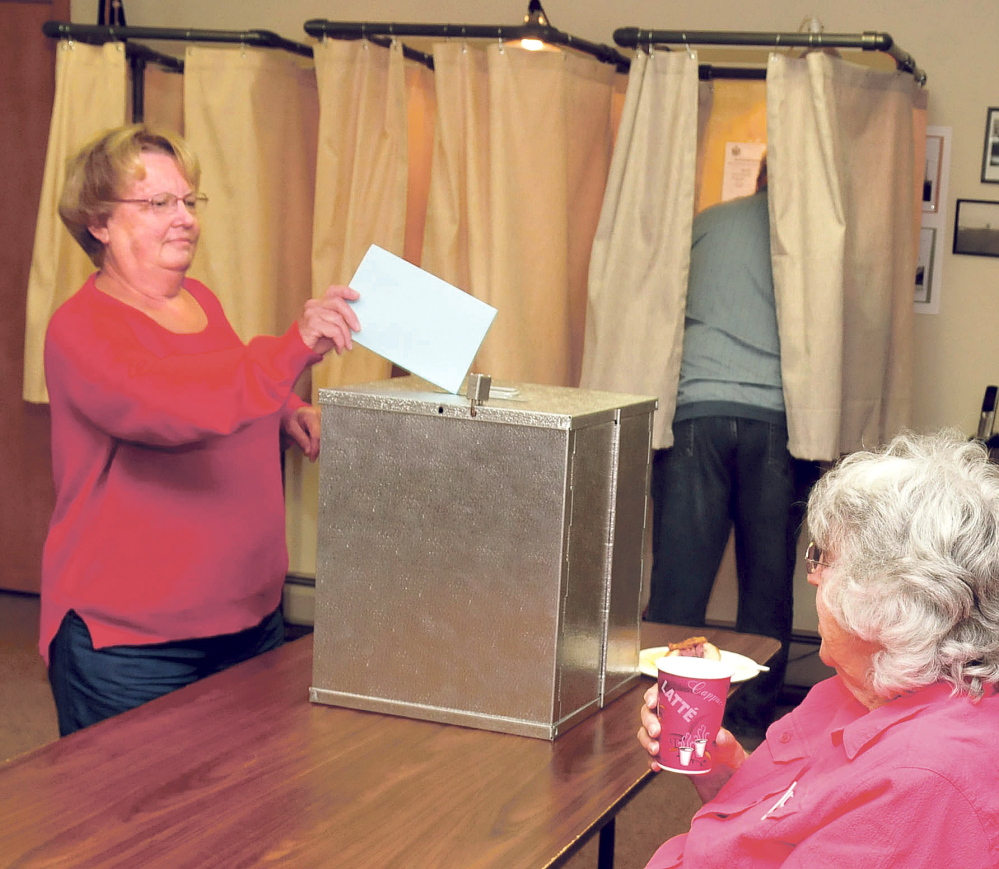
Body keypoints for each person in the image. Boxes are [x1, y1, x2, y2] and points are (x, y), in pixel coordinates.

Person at [41, 124, 361, 736]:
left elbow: (221, 378)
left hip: (250, 620)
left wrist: (286, 409)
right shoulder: (80, 328)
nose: (183, 217)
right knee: (135, 826)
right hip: (132, 648)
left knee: (247, 814)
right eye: (158, 203)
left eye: (189, 201)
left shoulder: (201, 303)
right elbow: (171, 404)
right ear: (98, 223)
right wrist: (293, 346)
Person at [637, 429, 999, 868]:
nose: (812, 576)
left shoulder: (919, 784)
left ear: (884, 597)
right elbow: (786, 831)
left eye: (822, 558)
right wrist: (728, 776)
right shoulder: (866, 689)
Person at [645, 157, 818, 737]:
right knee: (766, 586)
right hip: (777, 421)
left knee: (678, 582)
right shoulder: (813, 242)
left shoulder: (707, 222)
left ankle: (664, 714)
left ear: (759, 177)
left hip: (697, 412)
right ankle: (750, 725)